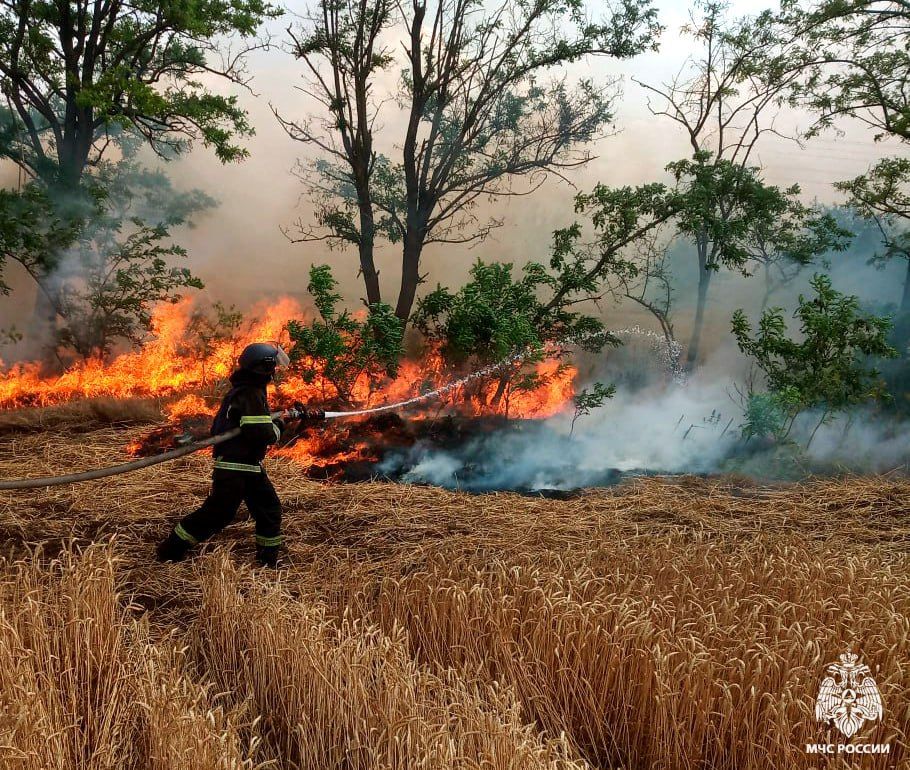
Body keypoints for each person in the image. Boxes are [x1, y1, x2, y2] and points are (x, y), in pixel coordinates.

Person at [156, 342, 322, 568]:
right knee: (218, 514)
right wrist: (280, 424)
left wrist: (278, 418)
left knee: (268, 510)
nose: (275, 372)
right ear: (264, 368)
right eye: (273, 367)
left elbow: (254, 423)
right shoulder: (250, 393)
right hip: (236, 467)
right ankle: (170, 549)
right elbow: (262, 434)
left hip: (248, 467)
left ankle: (267, 563)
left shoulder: (248, 390)